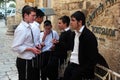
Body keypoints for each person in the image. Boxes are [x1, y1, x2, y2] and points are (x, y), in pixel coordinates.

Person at [63, 11, 99, 80]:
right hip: (71, 65)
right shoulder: (74, 34)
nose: (70, 23)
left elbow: (93, 58)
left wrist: (81, 70)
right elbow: (71, 48)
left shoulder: (89, 36)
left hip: (80, 68)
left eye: (73, 20)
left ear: (80, 22)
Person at [12, 5, 41, 80]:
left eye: (35, 15)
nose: (34, 18)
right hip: (24, 61)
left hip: (30, 60)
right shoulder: (21, 29)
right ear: (25, 15)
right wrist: (31, 49)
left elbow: (28, 42)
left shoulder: (29, 26)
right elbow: (15, 47)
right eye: (33, 15)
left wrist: (36, 46)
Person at [50, 15, 73, 80]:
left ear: (65, 24)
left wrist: (57, 43)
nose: (58, 25)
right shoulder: (64, 32)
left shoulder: (68, 33)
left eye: (60, 23)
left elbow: (68, 46)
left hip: (63, 58)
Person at [30, 7, 45, 80]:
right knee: (35, 74)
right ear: (38, 17)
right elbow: (35, 43)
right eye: (42, 18)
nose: (42, 20)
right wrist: (40, 45)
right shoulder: (35, 27)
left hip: (32, 53)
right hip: (34, 54)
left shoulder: (32, 26)